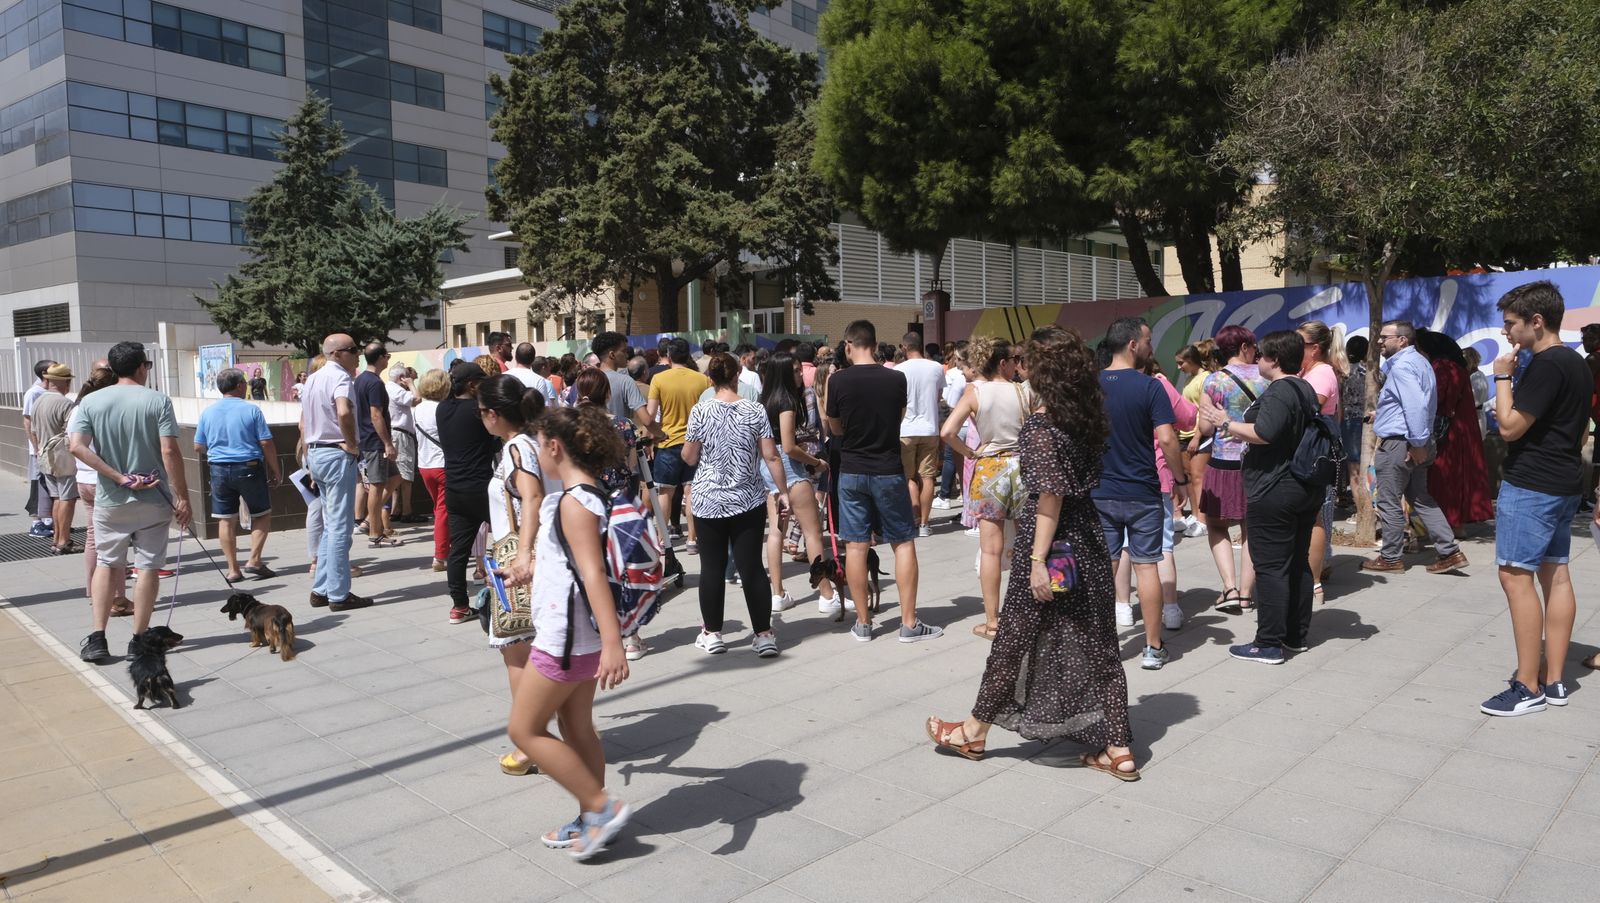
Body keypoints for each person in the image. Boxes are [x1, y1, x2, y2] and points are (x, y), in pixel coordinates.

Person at [925, 328, 1137, 778]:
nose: (1020, 366)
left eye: (1027, 361)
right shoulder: (1087, 415)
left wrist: (1038, 560)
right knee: (1100, 643)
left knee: (1014, 637)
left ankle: (973, 732)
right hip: (1088, 539)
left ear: (1041, 370)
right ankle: (1119, 747)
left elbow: (1050, 499)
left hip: (1054, 544)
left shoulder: (1043, 426)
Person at [503, 405, 631, 861]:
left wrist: (614, 646)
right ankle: (592, 817)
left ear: (555, 447)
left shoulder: (574, 502)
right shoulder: (590, 495)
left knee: (523, 730)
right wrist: (532, 570)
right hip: (579, 635)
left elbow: (594, 574)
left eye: (540, 445)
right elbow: (576, 566)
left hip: (565, 640)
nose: (538, 453)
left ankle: (601, 805)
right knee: (576, 727)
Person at [1483, 282, 1590, 715]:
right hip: (1564, 481)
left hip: (1533, 484)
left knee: (1515, 576)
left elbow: (1509, 428)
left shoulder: (1546, 364)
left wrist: (1503, 376)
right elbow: (1581, 430)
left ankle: (1528, 686)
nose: (1506, 332)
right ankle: (1555, 680)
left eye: (1511, 323)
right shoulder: (1578, 364)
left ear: (1537, 321)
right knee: (1557, 574)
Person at [69, 341, 193, 663]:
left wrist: (117, 476)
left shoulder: (92, 402)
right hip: (153, 498)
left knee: (108, 564)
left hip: (111, 499)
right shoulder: (157, 401)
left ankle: (98, 637)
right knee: (148, 566)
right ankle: (139, 639)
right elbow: (169, 451)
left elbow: (77, 447)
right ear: (142, 367)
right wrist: (182, 497)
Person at [1203, 331, 1322, 664]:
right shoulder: (1304, 388)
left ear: (1275, 360)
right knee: (1297, 562)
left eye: (1263, 356)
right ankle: (1296, 635)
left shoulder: (1281, 391)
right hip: (1301, 486)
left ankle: (1268, 643)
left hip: (1275, 488)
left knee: (1271, 567)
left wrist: (1226, 423)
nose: (1258, 361)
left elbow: (1264, 433)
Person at [829, 320, 942, 643]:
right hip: (888, 468)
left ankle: (863, 623)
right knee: (903, 542)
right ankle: (909, 623)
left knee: (855, 545)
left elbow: (835, 428)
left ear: (849, 345)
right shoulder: (896, 378)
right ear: (875, 345)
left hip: (851, 469)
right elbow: (900, 416)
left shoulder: (838, 381)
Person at [683, 353, 791, 657]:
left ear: (711, 379)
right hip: (748, 498)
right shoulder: (755, 410)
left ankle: (713, 633)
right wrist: (782, 491)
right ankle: (764, 634)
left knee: (712, 569)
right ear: (737, 376)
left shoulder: (700, 411)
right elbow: (771, 456)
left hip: (709, 499)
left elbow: (690, 457)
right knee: (752, 567)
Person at [1094, 318, 1185, 669]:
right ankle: (1152, 647)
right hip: (1143, 491)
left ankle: (1103, 646)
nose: (1151, 346)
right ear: (1132, 344)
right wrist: (1179, 478)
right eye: (1147, 340)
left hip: (1101, 490)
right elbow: (1166, 438)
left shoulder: (1092, 386)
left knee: (1107, 565)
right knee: (1147, 565)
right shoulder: (1150, 387)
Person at [477, 374, 548, 775]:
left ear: (491, 414)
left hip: (521, 559)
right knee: (544, 651)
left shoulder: (518, 448)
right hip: (535, 556)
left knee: (518, 655)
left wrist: (522, 554)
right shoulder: (536, 440)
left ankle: (528, 743)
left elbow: (533, 495)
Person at [942, 337, 1031, 640]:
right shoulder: (1021, 391)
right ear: (1003, 362)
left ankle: (993, 622)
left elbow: (947, 431)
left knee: (990, 552)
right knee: (1027, 545)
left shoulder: (974, 391)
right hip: (1020, 468)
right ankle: (1029, 614)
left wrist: (968, 453)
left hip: (990, 468)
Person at [1361, 320, 1467, 574]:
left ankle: (1390, 558)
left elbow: (1416, 407)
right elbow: (1411, 403)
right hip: (1414, 440)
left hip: (1402, 444)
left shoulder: (1403, 367)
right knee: (1421, 499)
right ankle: (1450, 552)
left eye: (1384, 337)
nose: (1379, 341)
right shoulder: (1419, 362)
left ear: (1402, 341)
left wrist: (1417, 443)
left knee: (1388, 501)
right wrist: (1384, 414)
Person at [759, 352, 837, 617]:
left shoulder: (764, 399)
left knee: (776, 531)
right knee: (813, 532)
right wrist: (815, 461)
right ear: (782, 373)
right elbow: (790, 446)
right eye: (794, 371)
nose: (800, 375)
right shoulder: (787, 402)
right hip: (788, 467)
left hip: (768, 466)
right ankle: (826, 594)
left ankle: (777, 593)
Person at [298, 335, 373, 613]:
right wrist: (352, 443)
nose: (357, 355)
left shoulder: (313, 379)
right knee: (341, 527)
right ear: (339, 353)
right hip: (336, 453)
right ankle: (339, 594)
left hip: (317, 453)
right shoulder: (340, 377)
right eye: (354, 350)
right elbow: (343, 410)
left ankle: (321, 589)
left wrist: (308, 458)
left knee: (332, 525)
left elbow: (304, 423)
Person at [1197, 326, 1268, 614]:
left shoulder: (1214, 381)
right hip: (1257, 460)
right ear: (1243, 347)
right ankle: (1247, 595)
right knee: (1251, 528)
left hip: (1223, 462)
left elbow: (1204, 428)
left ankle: (1229, 588)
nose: (1255, 350)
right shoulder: (1266, 377)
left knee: (1216, 524)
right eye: (1252, 345)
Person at [193, 367, 281, 582]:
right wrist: (276, 469)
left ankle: (233, 570)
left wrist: (218, 453)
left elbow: (198, 446)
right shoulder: (251, 410)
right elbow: (266, 442)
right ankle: (254, 559)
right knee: (261, 513)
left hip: (219, 469)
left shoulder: (208, 412)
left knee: (225, 519)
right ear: (240, 386)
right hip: (249, 466)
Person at [1413, 331, 1494, 535]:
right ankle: (1456, 524)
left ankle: (1447, 524)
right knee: (1458, 477)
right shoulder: (1457, 367)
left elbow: (1437, 399)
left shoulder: (1442, 367)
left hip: (1449, 433)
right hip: (1461, 429)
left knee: (1445, 477)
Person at [438, 361, 499, 624]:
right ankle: (513, 594)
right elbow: (495, 437)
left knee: (458, 550)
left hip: (454, 488)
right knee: (512, 538)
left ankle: (459, 606)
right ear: (473, 384)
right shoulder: (477, 411)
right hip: (482, 488)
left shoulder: (442, 409)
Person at [73, 368, 131, 614]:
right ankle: (117, 599)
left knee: (93, 538)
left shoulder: (77, 408)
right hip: (103, 480)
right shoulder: (104, 408)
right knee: (114, 542)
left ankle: (92, 592)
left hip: (83, 480)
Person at [647, 338, 711, 548]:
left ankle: (662, 539)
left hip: (667, 443)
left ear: (670, 355)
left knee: (665, 492)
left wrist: (656, 435)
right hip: (695, 443)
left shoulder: (659, 379)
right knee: (692, 491)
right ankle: (693, 539)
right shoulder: (702, 380)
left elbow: (651, 414)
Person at [1297, 320, 1345, 603]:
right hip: (1309, 452)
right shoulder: (1309, 370)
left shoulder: (1322, 373)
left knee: (1315, 517)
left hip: (1314, 455)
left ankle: (1314, 583)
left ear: (1314, 348)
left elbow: (1306, 407)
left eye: (1299, 343)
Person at [897, 332, 944, 538]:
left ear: (904, 347)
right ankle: (925, 523)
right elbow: (939, 396)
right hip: (930, 428)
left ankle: (914, 517)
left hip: (905, 429)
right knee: (928, 476)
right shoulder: (936, 367)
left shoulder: (898, 370)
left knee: (908, 478)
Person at [31, 363, 81, 555]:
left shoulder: (38, 401)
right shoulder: (65, 403)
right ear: (65, 382)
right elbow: (72, 434)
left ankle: (57, 539)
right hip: (63, 458)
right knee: (67, 499)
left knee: (57, 499)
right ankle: (63, 541)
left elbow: (33, 431)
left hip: (45, 456)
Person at [354, 344, 400, 549]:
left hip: (368, 440)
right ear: (381, 357)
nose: (388, 359)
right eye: (387, 356)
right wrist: (387, 443)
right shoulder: (374, 383)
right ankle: (374, 532)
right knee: (376, 485)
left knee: (395, 478)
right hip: (374, 442)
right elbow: (375, 414)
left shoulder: (361, 379)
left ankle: (369, 520)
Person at [1173, 342, 1215, 538]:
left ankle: (1203, 520)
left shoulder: (1206, 378)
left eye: (1181, 363)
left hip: (1200, 436)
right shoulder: (1189, 380)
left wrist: (1197, 437)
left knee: (1198, 477)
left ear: (1190, 360)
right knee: (1188, 476)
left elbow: (1205, 411)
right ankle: (1196, 514)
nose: (1179, 367)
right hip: (1185, 435)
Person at [592, 331, 663, 443]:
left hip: (594, 445)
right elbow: (647, 420)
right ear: (612, 355)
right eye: (623, 351)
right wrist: (661, 435)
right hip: (619, 447)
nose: (627, 355)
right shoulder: (625, 381)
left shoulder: (587, 380)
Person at [413, 369, 451, 572]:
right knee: (443, 511)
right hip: (443, 464)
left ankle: (444, 548)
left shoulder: (417, 409)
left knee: (439, 508)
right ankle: (440, 555)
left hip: (425, 465)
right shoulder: (443, 409)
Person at [22, 358, 57, 538]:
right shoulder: (33, 393)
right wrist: (36, 448)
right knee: (37, 483)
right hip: (38, 449)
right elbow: (27, 420)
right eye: (54, 367)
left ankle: (49, 520)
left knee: (49, 484)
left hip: (50, 447)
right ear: (44, 374)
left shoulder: (49, 392)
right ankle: (36, 523)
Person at [386, 363, 422, 524]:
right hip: (401, 434)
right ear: (401, 378)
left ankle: (395, 509)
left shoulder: (387, 388)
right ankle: (407, 511)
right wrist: (411, 384)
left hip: (394, 433)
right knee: (406, 474)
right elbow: (417, 399)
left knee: (397, 474)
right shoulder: (396, 389)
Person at [934, 341, 969, 509]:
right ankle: (964, 499)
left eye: (957, 358)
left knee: (952, 461)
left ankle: (945, 495)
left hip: (960, 427)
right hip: (974, 429)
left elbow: (950, 401)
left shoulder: (959, 377)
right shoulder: (984, 377)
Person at [1339, 336, 1370, 518]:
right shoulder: (1373, 372)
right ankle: (1369, 509)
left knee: (1354, 468)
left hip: (1349, 421)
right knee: (1370, 467)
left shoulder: (1343, 373)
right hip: (1370, 420)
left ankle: (1361, 512)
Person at [509, 342, 558, 407]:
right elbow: (545, 407)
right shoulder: (539, 380)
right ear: (533, 359)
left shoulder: (504, 375)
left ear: (515, 357)